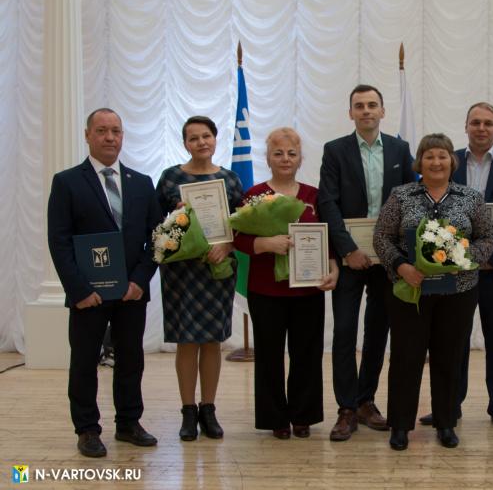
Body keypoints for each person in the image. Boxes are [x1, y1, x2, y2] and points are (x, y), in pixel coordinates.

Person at [48, 108, 162, 457]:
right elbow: (59, 241)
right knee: (84, 362)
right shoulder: (67, 182)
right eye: (101, 130)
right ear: (88, 135)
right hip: (89, 295)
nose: (110, 137)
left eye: (115, 131)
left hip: (131, 293)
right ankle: (87, 429)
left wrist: (140, 280)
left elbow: (158, 238)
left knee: (131, 360)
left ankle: (128, 423)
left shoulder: (141, 182)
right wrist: (79, 290)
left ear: (123, 136)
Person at [373, 133, 493, 450]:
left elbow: (487, 238)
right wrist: (401, 266)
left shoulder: (471, 197)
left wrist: (464, 259)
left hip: (458, 292)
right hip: (411, 292)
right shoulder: (401, 195)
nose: (436, 162)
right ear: (420, 162)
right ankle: (400, 425)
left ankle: (446, 422)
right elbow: (381, 237)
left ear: (452, 161)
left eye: (442, 156)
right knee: (406, 358)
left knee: (449, 357)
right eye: (429, 156)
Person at [419, 103, 493, 430]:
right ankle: (449, 406)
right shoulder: (448, 161)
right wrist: (459, 256)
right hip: (454, 270)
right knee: (453, 342)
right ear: (466, 126)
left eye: (488, 123)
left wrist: (490, 254)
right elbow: (434, 208)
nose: (482, 128)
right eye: (476, 122)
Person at [318, 84, 414, 441]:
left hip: (388, 260)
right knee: (344, 332)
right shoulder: (335, 151)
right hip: (350, 258)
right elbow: (328, 203)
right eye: (359, 106)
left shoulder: (400, 149)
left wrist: (395, 252)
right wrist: (347, 250)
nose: (366, 111)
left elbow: (410, 200)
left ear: (382, 111)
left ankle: (365, 400)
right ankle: (345, 408)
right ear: (351, 113)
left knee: (377, 332)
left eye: (372, 105)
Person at [234, 127, 339, 440]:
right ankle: (275, 418)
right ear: (267, 158)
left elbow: (329, 236)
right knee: (269, 355)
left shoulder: (313, 196)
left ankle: (303, 415)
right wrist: (265, 243)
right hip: (265, 289)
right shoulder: (254, 195)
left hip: (308, 289)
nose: (285, 159)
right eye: (278, 153)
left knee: (307, 353)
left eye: (291, 153)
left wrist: (333, 266)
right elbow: (238, 238)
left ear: (300, 158)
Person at [155, 116, 243, 441]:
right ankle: (188, 411)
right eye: (193, 138)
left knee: (212, 340)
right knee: (186, 340)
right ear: (185, 143)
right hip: (181, 271)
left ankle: (209, 409)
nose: (201, 142)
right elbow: (156, 224)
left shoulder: (230, 179)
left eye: (206, 136)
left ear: (215, 139)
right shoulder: (170, 178)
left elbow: (242, 224)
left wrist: (228, 245)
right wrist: (178, 218)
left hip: (217, 268)